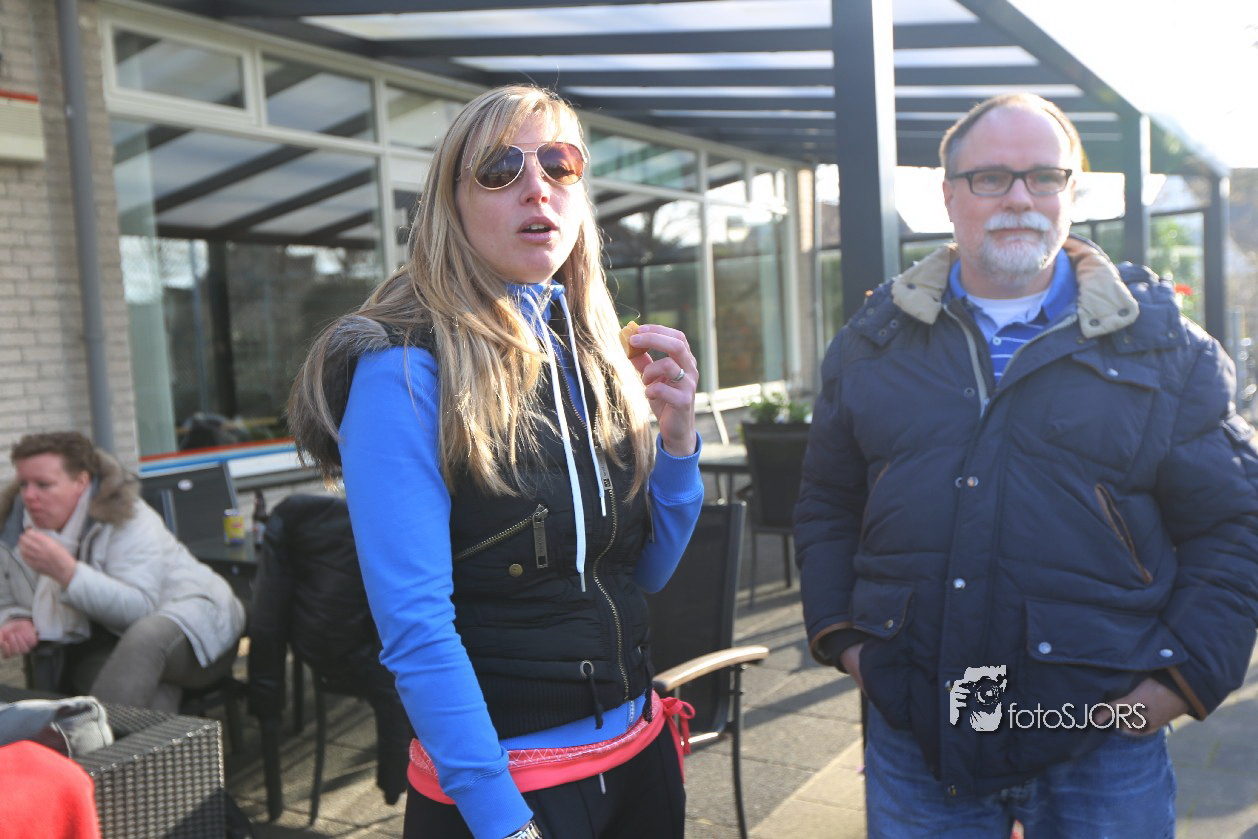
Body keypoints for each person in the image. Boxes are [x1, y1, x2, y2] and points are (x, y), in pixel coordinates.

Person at [794, 92, 1258, 838]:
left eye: (1044, 176)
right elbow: (827, 502)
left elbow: (1234, 526)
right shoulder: (871, 344)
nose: (1019, 198)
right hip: (919, 733)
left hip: (1105, 743)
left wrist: (1177, 684)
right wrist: (847, 642)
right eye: (991, 178)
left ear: (1071, 193)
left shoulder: (1166, 349)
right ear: (949, 195)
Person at [287, 84, 703, 839]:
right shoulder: (403, 368)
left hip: (641, 756)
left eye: (560, 163)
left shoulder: (592, 354)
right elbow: (415, 625)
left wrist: (677, 443)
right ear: (451, 205)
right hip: (511, 792)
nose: (536, 186)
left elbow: (644, 572)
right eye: (499, 169)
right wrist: (499, 818)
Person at [0, 431, 246, 711]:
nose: (29, 496)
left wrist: (68, 574)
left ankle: (83, 737)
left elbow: (139, 608)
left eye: (43, 485)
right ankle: (136, 739)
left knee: (146, 636)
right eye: (23, 484)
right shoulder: (12, 527)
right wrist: (15, 618)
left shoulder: (127, 516)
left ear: (81, 482)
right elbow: (5, 595)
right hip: (105, 645)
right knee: (147, 699)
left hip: (199, 630)